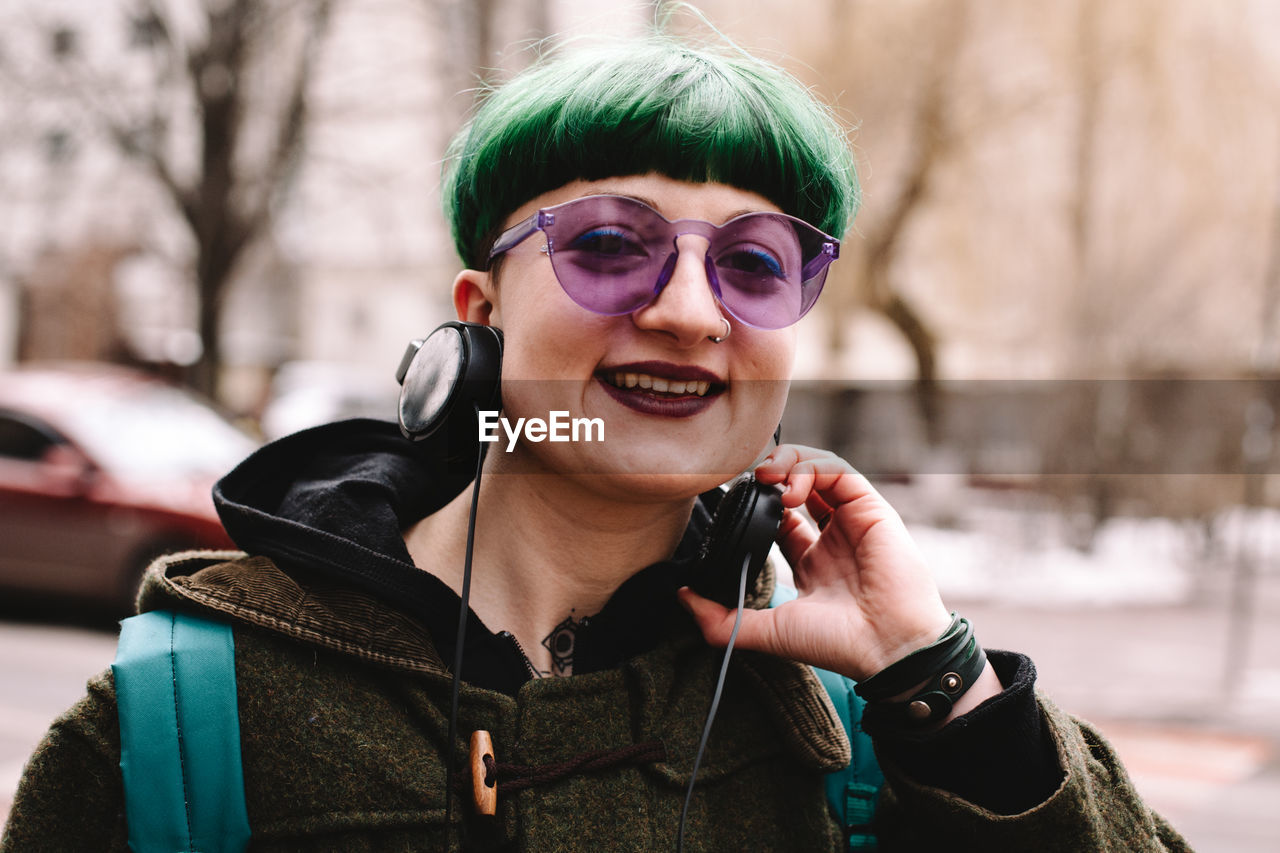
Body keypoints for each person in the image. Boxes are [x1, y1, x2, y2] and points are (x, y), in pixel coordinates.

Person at [2, 33, 1190, 852]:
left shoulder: (865, 730)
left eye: (752, 264)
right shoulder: (177, 724)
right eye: (610, 246)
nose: (685, 310)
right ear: (480, 316)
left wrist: (944, 689)